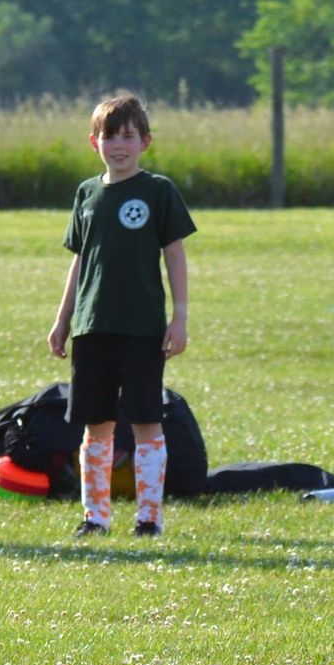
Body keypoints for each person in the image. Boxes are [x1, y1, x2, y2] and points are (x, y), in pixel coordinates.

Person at [47, 93, 195, 537]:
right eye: (110, 136)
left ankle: (149, 517)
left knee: (147, 421)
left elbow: (175, 254)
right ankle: (95, 517)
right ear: (94, 142)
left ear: (145, 141)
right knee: (97, 426)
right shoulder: (86, 194)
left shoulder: (158, 191)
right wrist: (62, 319)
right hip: (92, 328)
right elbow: (80, 260)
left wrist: (180, 316)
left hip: (142, 328)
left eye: (128, 137)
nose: (118, 145)